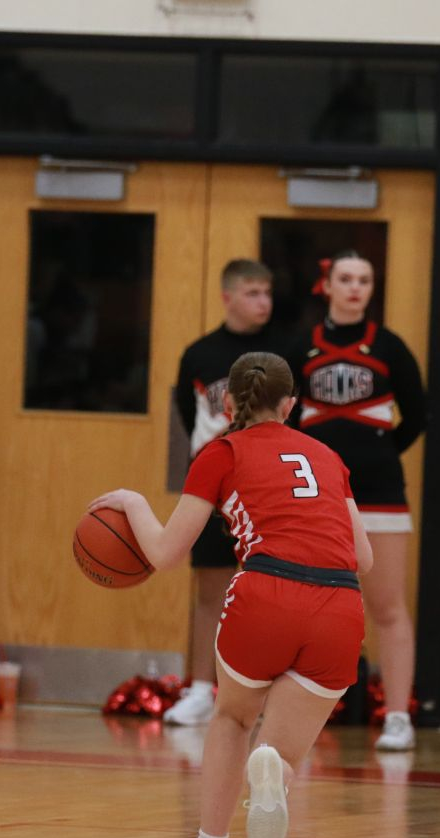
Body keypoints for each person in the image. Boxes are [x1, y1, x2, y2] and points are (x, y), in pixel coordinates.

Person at [89, 352, 373, 838]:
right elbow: (363, 557)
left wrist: (133, 502)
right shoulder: (328, 457)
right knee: (278, 752)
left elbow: (166, 553)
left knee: (234, 720)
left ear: (227, 403)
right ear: (290, 405)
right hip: (339, 606)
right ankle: (273, 772)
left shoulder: (219, 452)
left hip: (266, 594)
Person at [287, 250, 425, 752]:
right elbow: (284, 420)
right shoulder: (300, 346)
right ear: (327, 285)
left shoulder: (389, 346)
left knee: (387, 606)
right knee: (307, 605)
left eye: (364, 280)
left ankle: (398, 717)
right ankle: (298, 714)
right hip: (317, 493)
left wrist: (377, 453)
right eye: (345, 279)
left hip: (381, 492)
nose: (354, 288)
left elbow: (417, 415)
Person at [165, 259, 279, 726]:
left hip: (267, 487)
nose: (263, 302)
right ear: (227, 296)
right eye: (253, 293)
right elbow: (187, 415)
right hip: (217, 490)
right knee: (210, 589)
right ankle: (199, 688)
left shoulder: (282, 349)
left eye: (267, 292)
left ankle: (268, 693)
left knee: (269, 592)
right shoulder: (199, 353)